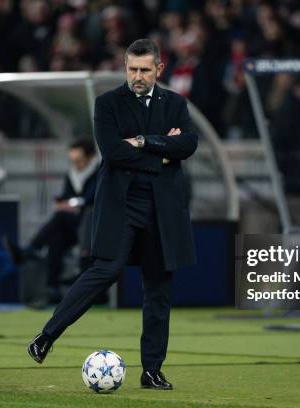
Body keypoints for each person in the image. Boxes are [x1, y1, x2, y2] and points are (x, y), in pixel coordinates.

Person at [27, 38, 198, 391]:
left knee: (158, 288)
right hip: (122, 202)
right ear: (125, 67)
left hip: (163, 207)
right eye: (132, 69)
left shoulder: (176, 104)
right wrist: (162, 150)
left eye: (145, 70)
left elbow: (188, 145)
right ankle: (46, 336)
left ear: (159, 69)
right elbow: (112, 151)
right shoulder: (107, 104)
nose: (137, 76)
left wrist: (141, 142)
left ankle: (152, 371)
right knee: (104, 270)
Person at [4, 139, 99, 303]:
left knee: (60, 217)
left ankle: (30, 250)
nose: (75, 165)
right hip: (73, 224)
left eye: (79, 161)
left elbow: (90, 199)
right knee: (56, 240)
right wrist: (66, 203)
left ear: (91, 157)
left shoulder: (100, 172)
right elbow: (68, 197)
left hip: (91, 225)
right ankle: (52, 289)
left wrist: (70, 204)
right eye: (73, 161)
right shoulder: (72, 175)